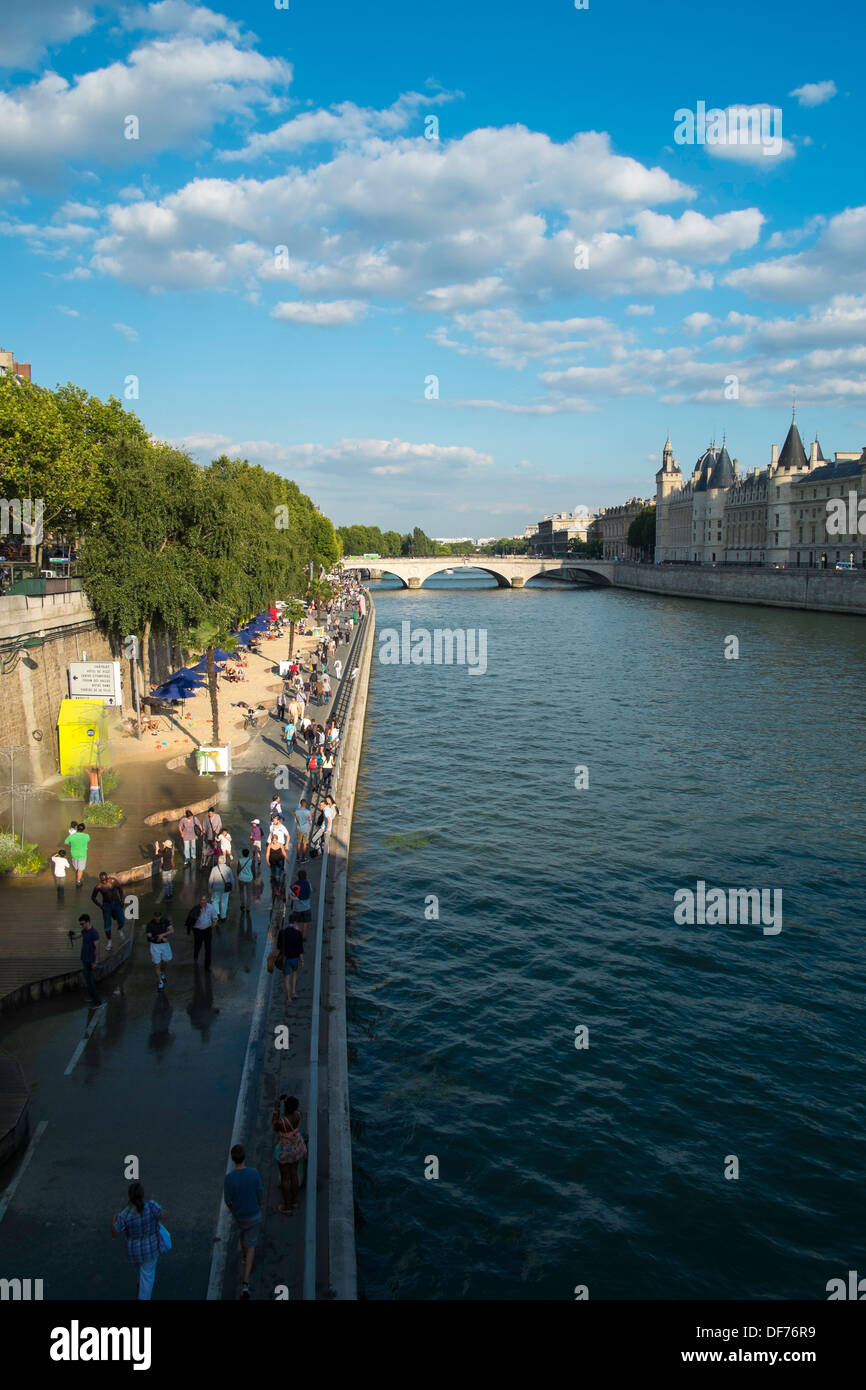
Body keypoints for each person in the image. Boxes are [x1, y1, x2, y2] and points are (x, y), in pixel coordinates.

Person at [112, 1181, 165, 1300]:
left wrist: (113, 1220)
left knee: (142, 1269)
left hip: (134, 1251)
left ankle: (140, 1282)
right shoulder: (151, 1207)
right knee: (148, 1276)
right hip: (150, 1248)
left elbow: (115, 1233)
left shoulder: (125, 1214)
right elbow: (163, 1215)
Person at [223, 1144, 263, 1299]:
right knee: (251, 1244)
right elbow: (260, 1194)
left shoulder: (230, 1179)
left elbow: (228, 1200)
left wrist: (235, 1211)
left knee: (242, 1234)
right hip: (253, 1214)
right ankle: (245, 1284)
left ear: (233, 1159)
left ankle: (244, 1256)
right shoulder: (254, 1173)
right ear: (244, 1157)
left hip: (240, 1216)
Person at [272, 1094, 306, 1215]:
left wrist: (277, 1104)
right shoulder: (298, 1116)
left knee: (285, 1178)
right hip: (296, 1147)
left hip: (285, 1150)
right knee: (294, 1174)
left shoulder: (282, 1123)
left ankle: (287, 1206)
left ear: (286, 1108)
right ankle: (294, 1201)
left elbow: (274, 1124)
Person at [91, 871, 126, 950]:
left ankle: (119, 929)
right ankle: (109, 941)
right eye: (102, 880)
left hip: (116, 902)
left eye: (105, 880)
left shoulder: (113, 881)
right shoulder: (98, 886)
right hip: (106, 905)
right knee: (107, 924)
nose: (104, 882)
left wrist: (122, 900)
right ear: (100, 880)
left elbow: (120, 889)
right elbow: (93, 897)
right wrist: (100, 906)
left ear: (107, 878)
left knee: (122, 920)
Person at [187, 893, 219, 970]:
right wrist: (197, 914)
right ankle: (196, 955)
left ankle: (207, 965)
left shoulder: (211, 907)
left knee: (208, 948)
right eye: (202, 900)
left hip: (207, 930)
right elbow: (190, 919)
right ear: (200, 900)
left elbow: (214, 917)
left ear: (207, 900)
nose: (203, 901)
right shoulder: (195, 908)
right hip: (198, 931)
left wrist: (214, 922)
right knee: (198, 945)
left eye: (204, 900)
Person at [276, 919, 304, 1005]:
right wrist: (302, 960)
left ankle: (288, 998)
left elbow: (278, 946)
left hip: (286, 959)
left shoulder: (282, 932)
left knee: (286, 978)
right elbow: (300, 949)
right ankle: (293, 992)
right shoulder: (298, 933)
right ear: (295, 923)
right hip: (295, 959)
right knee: (294, 973)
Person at [77, 913, 103, 1007]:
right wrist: (71, 935)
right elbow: (77, 935)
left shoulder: (94, 933)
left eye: (83, 924)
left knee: (91, 982)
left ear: (88, 922)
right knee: (88, 981)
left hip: (90, 960)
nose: (82, 926)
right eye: (81, 924)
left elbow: (97, 947)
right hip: (84, 958)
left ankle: (97, 1002)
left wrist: (96, 961)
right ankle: (93, 998)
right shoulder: (84, 931)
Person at [146, 912, 173, 990]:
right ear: (154, 917)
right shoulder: (150, 924)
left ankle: (162, 972)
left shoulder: (165, 921)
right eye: (156, 917)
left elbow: (171, 930)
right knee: (157, 964)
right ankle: (160, 982)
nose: (157, 918)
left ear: (161, 916)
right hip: (155, 946)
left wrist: (162, 935)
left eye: (159, 917)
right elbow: (148, 937)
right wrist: (157, 938)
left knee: (166, 960)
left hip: (165, 945)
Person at [289, 869, 313, 942]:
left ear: (298, 877)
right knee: (305, 922)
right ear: (305, 876)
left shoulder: (294, 885)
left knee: (296, 922)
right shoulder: (308, 884)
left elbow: (291, 896)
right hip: (306, 907)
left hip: (297, 908)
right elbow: (310, 892)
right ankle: (304, 937)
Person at [208, 853, 234, 919]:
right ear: (225, 861)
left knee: (215, 901)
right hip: (225, 888)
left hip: (216, 888)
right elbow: (232, 880)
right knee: (224, 902)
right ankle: (223, 916)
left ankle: (217, 913)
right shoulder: (228, 869)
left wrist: (209, 888)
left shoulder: (214, 869)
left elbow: (211, 879)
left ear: (218, 861)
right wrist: (232, 888)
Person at [65, 821, 90, 886]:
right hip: (82, 854)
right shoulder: (86, 836)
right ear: (83, 829)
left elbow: (65, 842)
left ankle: (78, 875)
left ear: (77, 828)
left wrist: (71, 844)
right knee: (80, 869)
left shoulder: (72, 836)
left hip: (74, 853)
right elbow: (88, 840)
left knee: (76, 868)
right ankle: (78, 881)